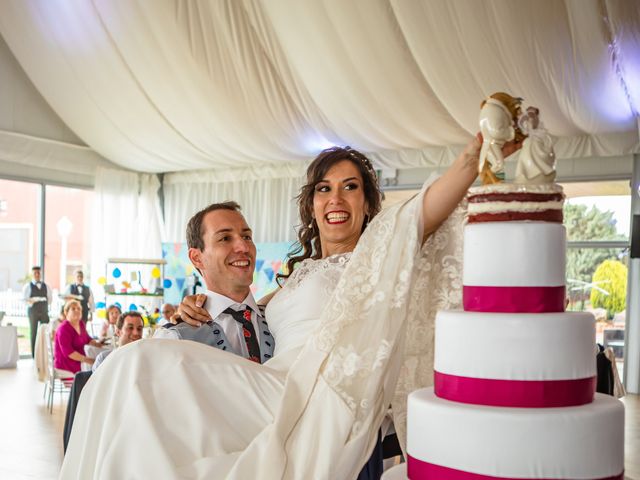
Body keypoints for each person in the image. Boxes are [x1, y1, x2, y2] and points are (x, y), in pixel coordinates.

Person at [62, 135, 502, 479]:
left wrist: (477, 151)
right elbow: (247, 304)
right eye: (325, 189)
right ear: (311, 204)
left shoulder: (378, 258)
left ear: (368, 202)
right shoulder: (301, 274)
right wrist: (192, 304)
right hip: (267, 386)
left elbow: (423, 211)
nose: (336, 199)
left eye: (351, 188)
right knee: (128, 378)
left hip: (310, 394)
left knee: (136, 364)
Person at [153, 202, 274, 363]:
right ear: (197, 258)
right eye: (225, 238)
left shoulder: (281, 317)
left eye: (247, 237)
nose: (244, 247)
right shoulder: (174, 339)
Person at [54, 300, 103, 374]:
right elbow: (69, 353)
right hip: (67, 364)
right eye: (73, 309)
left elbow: (87, 339)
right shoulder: (63, 329)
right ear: (66, 312)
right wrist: (88, 360)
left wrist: (96, 343)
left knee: (100, 359)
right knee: (97, 368)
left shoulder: (81, 323)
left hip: (79, 360)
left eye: (79, 309)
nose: (77, 310)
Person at [22, 266, 52, 358]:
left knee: (45, 332)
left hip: (44, 312)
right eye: (35, 273)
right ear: (32, 274)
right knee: (33, 332)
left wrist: (44, 307)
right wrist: (31, 301)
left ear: (41, 274)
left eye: (38, 273)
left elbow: (50, 299)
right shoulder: (27, 286)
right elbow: (25, 300)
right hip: (33, 311)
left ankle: (44, 353)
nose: (37, 274)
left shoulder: (46, 286)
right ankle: (34, 355)